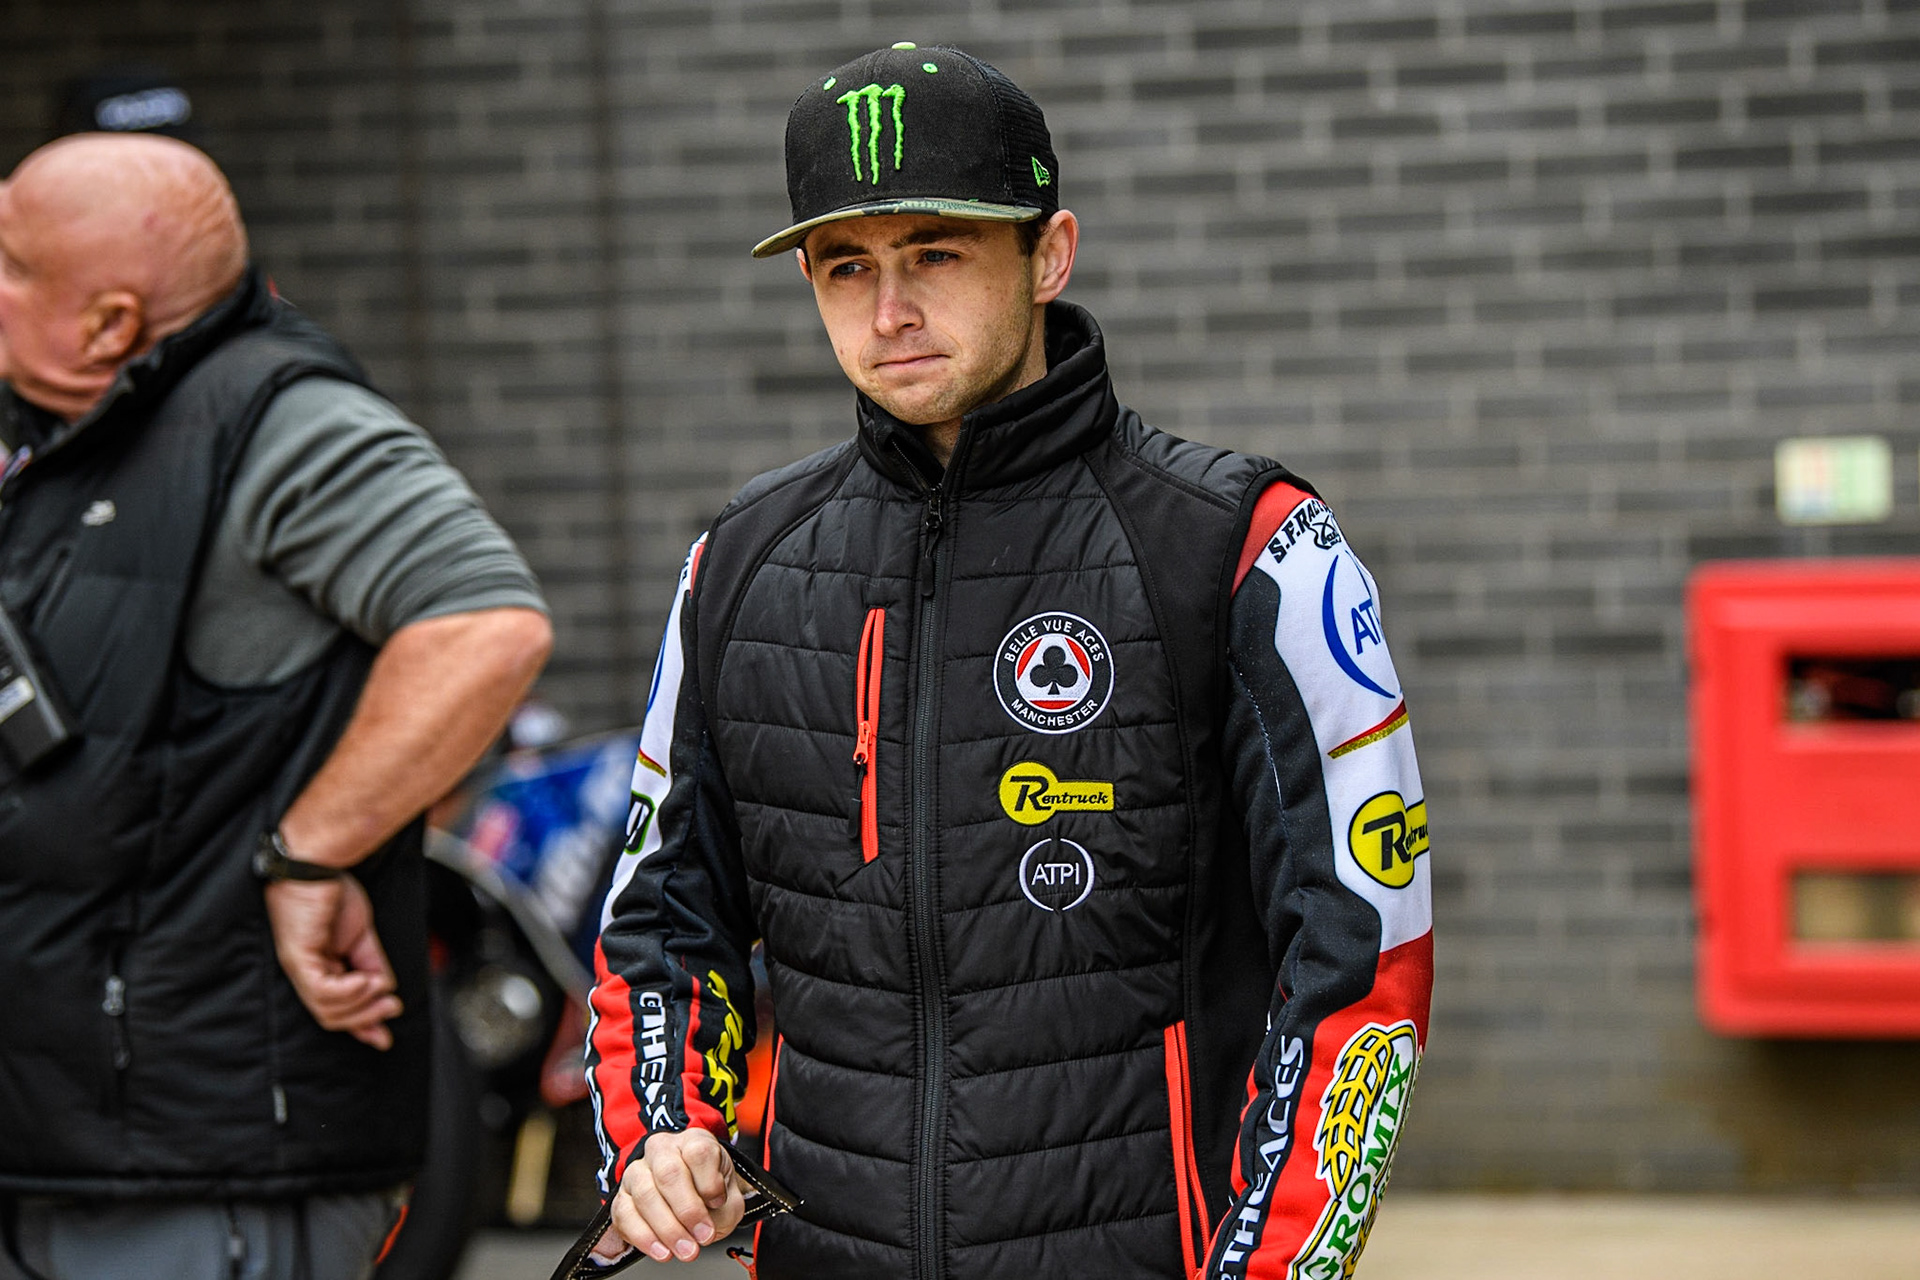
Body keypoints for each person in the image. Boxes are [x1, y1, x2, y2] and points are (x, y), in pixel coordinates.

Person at [586, 44, 1432, 1280]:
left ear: (1050, 254)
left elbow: (1365, 951)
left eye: (935, 252)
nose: (889, 311)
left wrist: (1284, 1262)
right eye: (846, 268)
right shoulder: (737, 564)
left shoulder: (1244, 544)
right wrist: (660, 1136)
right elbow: (657, 919)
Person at [0, 134, 552, 1279]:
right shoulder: (59, 423)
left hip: (207, 1163)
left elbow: (484, 627)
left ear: (107, 322)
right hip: (62, 1134)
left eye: (9, 260)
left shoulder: (278, 421)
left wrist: (312, 850)